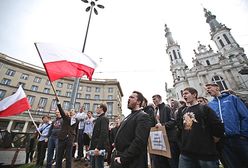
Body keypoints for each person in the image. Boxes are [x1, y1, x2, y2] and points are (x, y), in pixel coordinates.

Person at [178, 87, 224, 168]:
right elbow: (182, 129)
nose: (184, 95)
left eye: (186, 93)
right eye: (183, 94)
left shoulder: (204, 108)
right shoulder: (183, 111)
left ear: (194, 94)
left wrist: (213, 139)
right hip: (186, 153)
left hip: (205, 153)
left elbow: (218, 125)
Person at [205, 83, 248, 168]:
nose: (208, 90)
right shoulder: (210, 105)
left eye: (209, 88)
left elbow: (245, 116)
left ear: (217, 88)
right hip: (223, 142)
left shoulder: (232, 98)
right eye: (207, 89)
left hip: (239, 138)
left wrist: (243, 134)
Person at [110, 91, 151, 168]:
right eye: (129, 97)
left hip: (130, 162)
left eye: (132, 97)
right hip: (119, 158)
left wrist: (123, 159)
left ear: (138, 101)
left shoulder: (143, 116)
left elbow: (139, 141)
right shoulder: (128, 116)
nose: (128, 99)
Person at [152, 94, 179, 168]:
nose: (153, 101)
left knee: (172, 161)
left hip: (170, 139)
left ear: (160, 98)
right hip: (161, 140)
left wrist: (163, 125)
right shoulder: (156, 110)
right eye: (153, 99)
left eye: (155, 99)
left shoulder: (166, 107)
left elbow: (173, 121)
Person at [55, 97, 78, 168]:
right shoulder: (65, 118)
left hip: (70, 139)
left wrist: (75, 141)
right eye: (70, 110)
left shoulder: (76, 120)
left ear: (75, 113)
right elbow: (61, 111)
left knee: (68, 156)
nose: (71, 111)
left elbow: (76, 130)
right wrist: (58, 103)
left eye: (73, 110)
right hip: (62, 138)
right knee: (59, 155)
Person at [89, 103, 110, 168]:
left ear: (101, 108)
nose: (96, 108)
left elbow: (104, 134)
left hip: (98, 148)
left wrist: (98, 147)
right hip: (94, 147)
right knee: (93, 165)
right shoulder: (98, 119)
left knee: (98, 165)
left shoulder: (104, 119)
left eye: (98, 107)